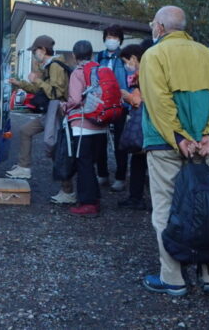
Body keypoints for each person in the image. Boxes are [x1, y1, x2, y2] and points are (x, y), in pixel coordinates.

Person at [138, 5, 209, 297]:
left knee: (166, 209)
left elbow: (158, 101)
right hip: (203, 145)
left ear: (161, 28)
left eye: (154, 24)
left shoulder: (153, 55)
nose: (153, 28)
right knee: (206, 206)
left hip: (166, 144)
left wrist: (178, 136)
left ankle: (174, 278)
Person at [4, 36, 69, 191]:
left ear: (43, 50)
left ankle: (68, 190)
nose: (34, 54)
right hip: (49, 111)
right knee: (25, 131)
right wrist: (19, 83)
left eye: (35, 50)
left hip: (56, 111)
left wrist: (37, 80)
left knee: (54, 148)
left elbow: (55, 93)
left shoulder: (55, 66)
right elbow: (40, 91)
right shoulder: (47, 66)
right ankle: (24, 167)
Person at [64, 40, 109, 217]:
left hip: (83, 125)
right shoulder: (102, 69)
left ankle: (88, 203)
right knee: (92, 164)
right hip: (101, 123)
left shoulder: (78, 72)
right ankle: (95, 199)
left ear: (74, 56)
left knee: (84, 165)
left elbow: (75, 100)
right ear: (91, 54)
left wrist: (64, 106)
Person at [95, 24, 129, 191]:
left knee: (120, 142)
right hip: (101, 103)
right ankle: (102, 174)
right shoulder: (99, 57)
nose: (112, 40)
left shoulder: (124, 57)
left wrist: (129, 100)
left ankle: (121, 177)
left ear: (120, 40)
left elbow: (130, 79)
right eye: (109, 36)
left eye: (115, 37)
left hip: (121, 104)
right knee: (99, 140)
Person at [117, 43, 149, 210]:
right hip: (145, 125)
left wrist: (128, 97)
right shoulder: (143, 71)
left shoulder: (146, 72)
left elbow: (142, 99)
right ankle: (136, 197)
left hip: (146, 125)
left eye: (126, 61)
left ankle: (137, 197)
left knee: (140, 160)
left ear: (134, 58)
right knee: (138, 160)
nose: (126, 65)